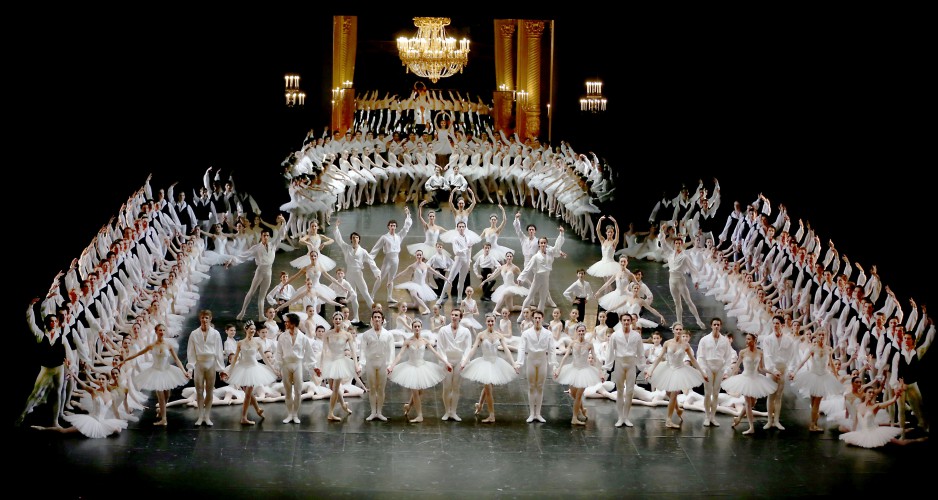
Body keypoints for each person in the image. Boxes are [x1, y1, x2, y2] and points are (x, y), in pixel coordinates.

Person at [122, 323, 189, 426]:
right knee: (161, 396)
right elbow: (138, 353)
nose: (162, 332)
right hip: (156, 372)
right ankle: (164, 419)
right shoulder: (152, 345)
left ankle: (161, 410)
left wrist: (184, 372)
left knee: (167, 395)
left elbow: (177, 359)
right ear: (156, 331)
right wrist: (126, 359)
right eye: (160, 330)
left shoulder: (168, 345)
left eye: (163, 330)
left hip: (167, 371)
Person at [388, 318, 452, 423]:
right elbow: (400, 355)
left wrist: (446, 362)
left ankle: (408, 406)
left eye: (418, 326)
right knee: (415, 391)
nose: (417, 328)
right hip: (411, 367)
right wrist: (392, 366)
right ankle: (419, 415)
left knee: (420, 391)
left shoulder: (425, 341)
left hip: (422, 366)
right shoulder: (408, 341)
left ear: (421, 328)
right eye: (415, 327)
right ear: (412, 328)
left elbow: (436, 353)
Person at [645, 324, 708, 429]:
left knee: (674, 394)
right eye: (677, 329)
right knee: (668, 393)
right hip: (668, 368)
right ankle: (678, 409)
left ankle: (668, 420)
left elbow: (693, 360)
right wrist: (650, 370)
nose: (678, 331)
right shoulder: (667, 343)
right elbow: (659, 357)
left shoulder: (685, 345)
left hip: (679, 370)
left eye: (680, 329)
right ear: (673, 331)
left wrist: (702, 372)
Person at [18, 300, 69, 428]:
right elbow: (32, 323)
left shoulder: (61, 337)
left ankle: (55, 421)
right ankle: (22, 416)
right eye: (51, 321)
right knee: (35, 392)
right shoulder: (41, 336)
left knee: (57, 393)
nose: (53, 323)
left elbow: (68, 354)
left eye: (55, 321)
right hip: (46, 369)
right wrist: (30, 307)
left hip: (59, 369)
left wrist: (69, 364)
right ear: (47, 323)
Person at [461, 313, 519, 423]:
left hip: (496, 363)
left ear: (495, 321)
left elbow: (506, 350)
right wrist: (464, 362)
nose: (490, 323)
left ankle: (480, 405)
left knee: (488, 387)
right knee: (488, 389)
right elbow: (473, 349)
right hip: (485, 363)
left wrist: (514, 364)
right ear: (486, 322)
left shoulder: (499, 335)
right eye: (489, 321)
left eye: (492, 321)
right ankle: (491, 415)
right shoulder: (481, 335)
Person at [722, 332, 777, 434]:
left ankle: (738, 418)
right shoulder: (743, 352)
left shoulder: (760, 352)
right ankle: (751, 427)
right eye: (746, 339)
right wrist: (729, 377)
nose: (746, 341)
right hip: (745, 378)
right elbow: (737, 366)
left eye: (749, 339)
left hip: (756, 378)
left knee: (752, 403)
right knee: (748, 403)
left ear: (754, 340)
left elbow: (761, 368)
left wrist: (772, 372)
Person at [790, 331, 843, 432]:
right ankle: (813, 424)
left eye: (824, 334)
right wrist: (794, 372)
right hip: (813, 376)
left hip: (824, 377)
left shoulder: (828, 349)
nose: (822, 336)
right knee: (814, 401)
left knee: (817, 402)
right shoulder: (813, 349)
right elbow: (803, 361)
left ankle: (813, 424)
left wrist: (836, 377)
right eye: (820, 334)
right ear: (817, 336)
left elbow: (831, 364)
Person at [225, 320, 276, 425]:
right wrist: (230, 371)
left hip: (253, 368)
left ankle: (245, 417)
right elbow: (235, 359)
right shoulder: (240, 343)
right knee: (247, 391)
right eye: (251, 329)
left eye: (254, 329)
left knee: (248, 393)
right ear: (246, 329)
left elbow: (264, 358)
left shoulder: (258, 343)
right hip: (243, 368)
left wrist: (273, 369)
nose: (253, 330)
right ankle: (254, 411)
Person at [333, 218, 381, 326]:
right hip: (349, 273)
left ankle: (377, 314)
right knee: (353, 295)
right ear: (351, 239)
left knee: (365, 294)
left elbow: (370, 261)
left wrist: (376, 273)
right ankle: (356, 317)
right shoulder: (347, 248)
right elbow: (339, 240)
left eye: (357, 237)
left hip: (358, 274)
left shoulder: (363, 251)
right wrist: (336, 228)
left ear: (359, 239)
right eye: (353, 237)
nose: (355, 239)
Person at [555, 323, 603, 425]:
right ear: (577, 332)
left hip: (585, 371)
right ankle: (582, 409)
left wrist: (600, 371)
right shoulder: (572, 343)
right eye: (579, 331)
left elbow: (595, 358)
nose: (581, 332)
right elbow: (566, 356)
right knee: (573, 394)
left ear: (585, 332)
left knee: (578, 395)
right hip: (574, 369)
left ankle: (574, 418)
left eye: (583, 331)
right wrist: (559, 368)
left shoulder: (589, 345)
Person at [318, 311, 361, 422]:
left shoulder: (347, 335)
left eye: (339, 319)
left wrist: (356, 364)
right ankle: (343, 405)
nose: (337, 320)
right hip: (330, 361)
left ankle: (330, 413)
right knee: (332, 387)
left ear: (342, 321)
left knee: (335, 389)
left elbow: (353, 351)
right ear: (333, 320)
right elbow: (324, 350)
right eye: (335, 319)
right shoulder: (328, 334)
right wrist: (321, 365)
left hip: (341, 361)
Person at [516, 310, 557, 423]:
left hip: (542, 360)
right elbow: (522, 348)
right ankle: (531, 413)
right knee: (531, 386)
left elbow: (552, 349)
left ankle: (538, 413)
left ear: (542, 319)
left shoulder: (548, 333)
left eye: (539, 318)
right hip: (531, 360)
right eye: (535, 318)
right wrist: (519, 363)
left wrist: (553, 364)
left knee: (540, 386)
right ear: (533, 319)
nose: (537, 320)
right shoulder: (526, 333)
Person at [603, 314, 644, 427]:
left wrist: (642, 367)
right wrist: (607, 367)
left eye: (628, 320)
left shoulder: (636, 336)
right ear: (621, 321)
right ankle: (620, 417)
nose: (626, 322)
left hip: (631, 363)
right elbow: (610, 351)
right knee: (620, 390)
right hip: (620, 363)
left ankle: (626, 417)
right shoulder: (615, 335)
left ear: (631, 322)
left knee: (630, 391)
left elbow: (640, 352)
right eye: (624, 320)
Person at [185, 309, 225, 426]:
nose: (204, 320)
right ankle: (200, 416)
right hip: (199, 364)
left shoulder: (216, 334)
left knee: (209, 391)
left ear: (210, 319)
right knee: (199, 391)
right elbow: (191, 353)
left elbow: (218, 352)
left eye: (206, 318)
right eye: (202, 317)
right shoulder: (194, 334)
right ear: (200, 319)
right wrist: (190, 369)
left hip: (211, 364)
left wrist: (221, 370)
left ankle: (207, 416)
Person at [275, 313, 316, 424]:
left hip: (297, 364)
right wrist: (277, 367)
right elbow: (278, 352)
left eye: (287, 321)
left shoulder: (303, 338)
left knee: (298, 391)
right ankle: (289, 414)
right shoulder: (282, 336)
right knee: (288, 391)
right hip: (286, 365)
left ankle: (295, 414)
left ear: (293, 323)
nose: (285, 323)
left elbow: (309, 354)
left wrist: (314, 367)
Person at [890, 328, 931, 438]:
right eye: (905, 338)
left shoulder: (918, 353)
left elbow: (927, 342)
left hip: (913, 384)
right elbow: (894, 372)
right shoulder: (898, 354)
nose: (906, 340)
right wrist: (896, 386)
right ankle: (902, 433)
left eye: (908, 339)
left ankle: (924, 426)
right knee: (901, 409)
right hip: (900, 385)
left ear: (913, 340)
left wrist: (931, 327)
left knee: (920, 406)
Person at [696, 318, 736, 427]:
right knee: (708, 393)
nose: (716, 326)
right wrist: (703, 369)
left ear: (721, 326)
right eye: (714, 324)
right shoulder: (704, 340)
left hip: (719, 368)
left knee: (716, 393)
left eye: (718, 324)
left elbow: (728, 357)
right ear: (711, 326)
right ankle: (707, 416)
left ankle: (713, 417)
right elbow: (700, 356)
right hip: (708, 366)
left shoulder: (725, 341)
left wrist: (726, 370)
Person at [236, 228, 282, 322]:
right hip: (260, 272)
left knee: (262, 296)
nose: (266, 237)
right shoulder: (256, 248)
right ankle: (242, 312)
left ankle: (261, 316)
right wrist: (231, 261)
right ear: (261, 236)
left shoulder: (273, 245)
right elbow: (244, 256)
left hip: (269, 272)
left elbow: (280, 235)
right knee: (251, 292)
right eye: (264, 235)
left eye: (267, 236)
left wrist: (284, 223)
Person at [761, 315, 797, 430]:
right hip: (772, 370)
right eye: (774, 323)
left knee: (779, 395)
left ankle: (776, 420)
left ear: (782, 325)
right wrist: (773, 370)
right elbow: (767, 356)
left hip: (783, 370)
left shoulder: (789, 340)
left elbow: (792, 357)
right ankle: (769, 420)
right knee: (771, 395)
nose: (775, 325)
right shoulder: (767, 340)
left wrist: (791, 371)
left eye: (777, 323)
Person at [839, 385, 905, 448]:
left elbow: (891, 401)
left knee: (900, 443)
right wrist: (853, 433)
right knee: (847, 440)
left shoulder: (875, 406)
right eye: (869, 392)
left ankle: (914, 440)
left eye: (873, 393)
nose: (871, 394)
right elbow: (856, 421)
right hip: (863, 432)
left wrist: (896, 397)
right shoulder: (859, 406)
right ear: (865, 394)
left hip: (874, 432)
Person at [517, 227, 566, 313]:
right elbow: (527, 268)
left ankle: (545, 306)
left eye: (533, 229)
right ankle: (525, 310)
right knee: (531, 290)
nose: (531, 231)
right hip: (533, 268)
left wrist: (561, 236)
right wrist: (521, 278)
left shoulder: (543, 246)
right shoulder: (526, 242)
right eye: (529, 230)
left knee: (543, 294)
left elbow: (553, 247)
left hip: (542, 271)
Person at [369, 207, 413, 302]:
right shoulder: (384, 237)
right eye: (391, 225)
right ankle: (371, 295)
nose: (392, 227)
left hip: (396, 259)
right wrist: (369, 258)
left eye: (394, 225)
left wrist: (408, 214)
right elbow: (376, 248)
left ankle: (389, 297)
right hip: (388, 260)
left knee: (391, 279)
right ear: (388, 227)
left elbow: (406, 228)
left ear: (396, 227)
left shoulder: (399, 236)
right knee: (380, 278)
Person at [437, 308, 473, 421]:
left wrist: (464, 362)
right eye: (452, 314)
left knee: (456, 387)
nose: (453, 317)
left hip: (459, 360)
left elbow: (468, 347)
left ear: (460, 317)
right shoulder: (443, 330)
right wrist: (445, 361)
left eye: (456, 315)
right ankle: (447, 411)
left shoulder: (466, 331)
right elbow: (440, 347)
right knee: (446, 387)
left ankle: (454, 412)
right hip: (447, 360)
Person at [664, 237, 706, 329]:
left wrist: (696, 281)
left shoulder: (685, 257)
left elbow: (693, 269)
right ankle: (679, 323)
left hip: (680, 281)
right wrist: (662, 233)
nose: (678, 245)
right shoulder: (671, 254)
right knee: (677, 302)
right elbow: (664, 245)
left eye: (679, 243)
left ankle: (698, 320)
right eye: (676, 243)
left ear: (682, 244)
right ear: (674, 244)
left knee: (688, 301)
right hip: (671, 280)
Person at [361, 309, 395, 421]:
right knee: (372, 388)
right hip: (371, 363)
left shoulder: (388, 335)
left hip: (383, 363)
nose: (376, 319)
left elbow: (391, 351)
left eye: (379, 317)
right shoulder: (366, 334)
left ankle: (379, 412)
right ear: (372, 319)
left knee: (381, 388)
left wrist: (390, 365)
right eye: (375, 317)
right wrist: (361, 364)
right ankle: (372, 412)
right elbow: (362, 351)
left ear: (382, 320)